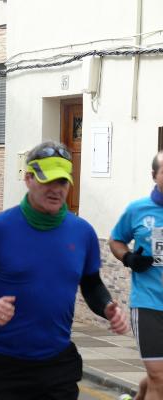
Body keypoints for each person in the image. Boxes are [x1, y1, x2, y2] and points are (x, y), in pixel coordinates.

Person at [0, 141, 129, 399]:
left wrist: (107, 306)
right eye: (48, 181)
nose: (57, 190)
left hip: (57, 364)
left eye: (63, 182)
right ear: (29, 179)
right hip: (5, 364)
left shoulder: (82, 233)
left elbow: (91, 284)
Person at [109, 150, 163, 400]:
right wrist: (129, 258)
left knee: (158, 377)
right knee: (159, 378)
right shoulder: (138, 209)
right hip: (148, 302)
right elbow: (116, 240)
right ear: (155, 175)